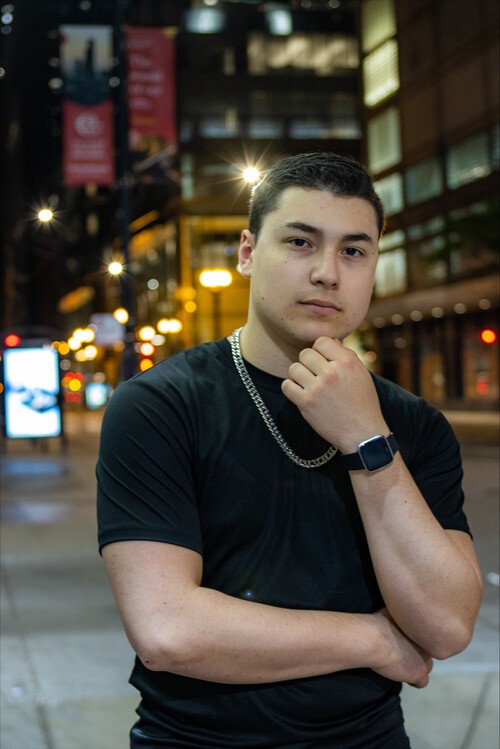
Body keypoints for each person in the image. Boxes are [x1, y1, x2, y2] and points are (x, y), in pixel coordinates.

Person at [96, 152, 483, 748]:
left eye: (353, 251)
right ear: (248, 252)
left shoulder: (413, 423)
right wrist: (377, 640)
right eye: (301, 242)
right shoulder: (159, 406)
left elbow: (447, 625)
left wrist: (365, 439)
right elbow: (168, 629)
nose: (328, 272)